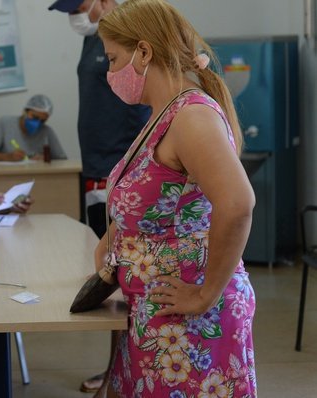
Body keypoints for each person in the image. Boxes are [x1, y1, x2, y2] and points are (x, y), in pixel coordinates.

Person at [95, 0, 257, 396]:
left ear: (144, 51)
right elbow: (155, 198)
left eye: (113, 58)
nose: (110, 72)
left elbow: (237, 204)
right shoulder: (164, 113)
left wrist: (205, 293)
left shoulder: (192, 118)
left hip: (187, 318)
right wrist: (112, 243)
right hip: (157, 311)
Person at [48, 0, 151, 393]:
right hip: (98, 171)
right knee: (109, 273)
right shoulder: (96, 38)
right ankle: (117, 367)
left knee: (124, 275)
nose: (75, 15)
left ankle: (120, 369)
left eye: (80, 6)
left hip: (121, 170)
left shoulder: (131, 32)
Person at [0, 94, 67, 162]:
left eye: (42, 121)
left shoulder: (46, 131)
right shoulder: (5, 123)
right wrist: (7, 157)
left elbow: (62, 159)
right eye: (35, 117)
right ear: (25, 111)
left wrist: (46, 159)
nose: (37, 123)